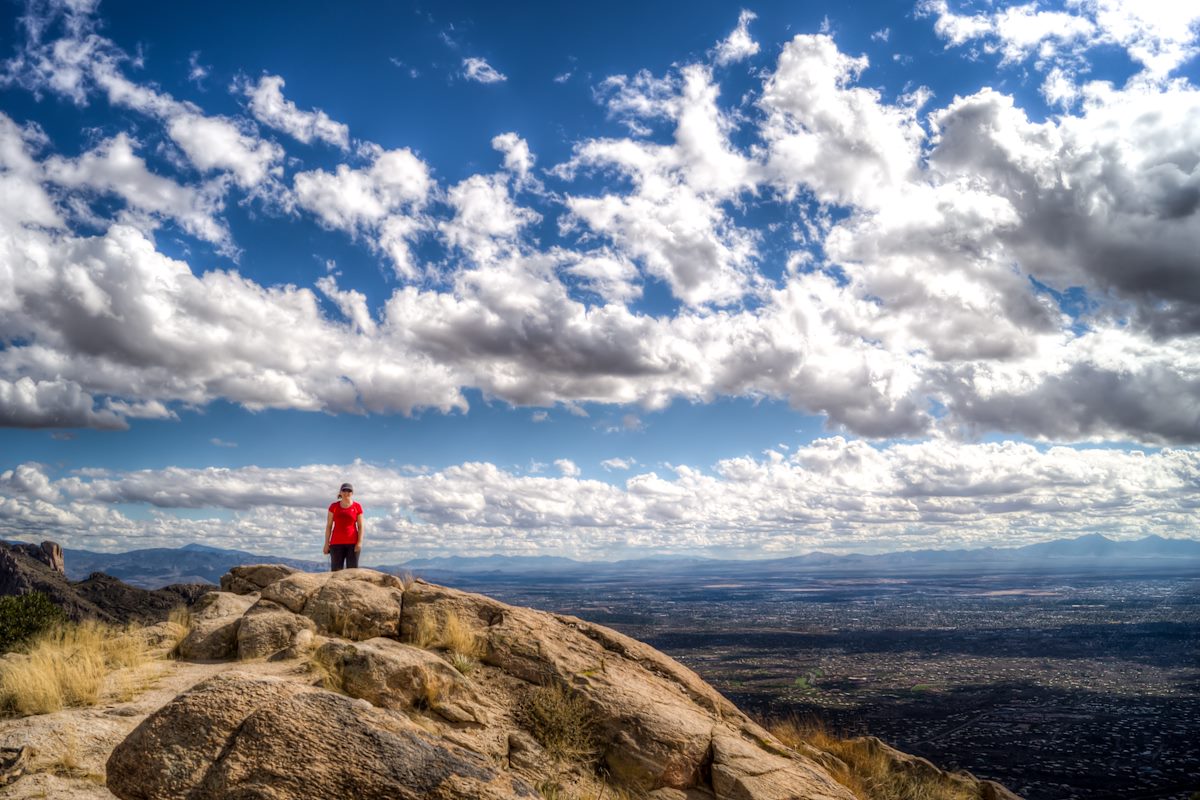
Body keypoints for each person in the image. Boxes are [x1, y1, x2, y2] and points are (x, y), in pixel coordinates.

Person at [323, 482, 364, 571]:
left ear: (352, 493)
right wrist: (326, 544)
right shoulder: (334, 506)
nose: (346, 493)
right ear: (340, 492)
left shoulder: (357, 506)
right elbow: (329, 526)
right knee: (336, 572)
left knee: (352, 573)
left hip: (353, 543)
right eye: (344, 490)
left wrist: (359, 542)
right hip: (336, 544)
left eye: (349, 491)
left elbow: (361, 526)